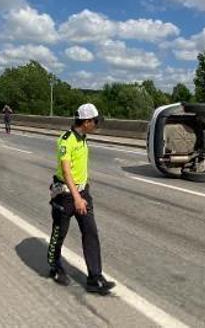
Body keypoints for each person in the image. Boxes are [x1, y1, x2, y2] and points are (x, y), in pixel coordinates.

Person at [47, 103, 115, 294]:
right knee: (59, 233)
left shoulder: (83, 139)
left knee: (91, 232)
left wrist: (83, 192)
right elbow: (67, 171)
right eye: (95, 121)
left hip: (82, 193)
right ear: (85, 122)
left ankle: (95, 277)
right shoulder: (65, 140)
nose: (96, 125)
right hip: (66, 195)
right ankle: (55, 266)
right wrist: (76, 198)